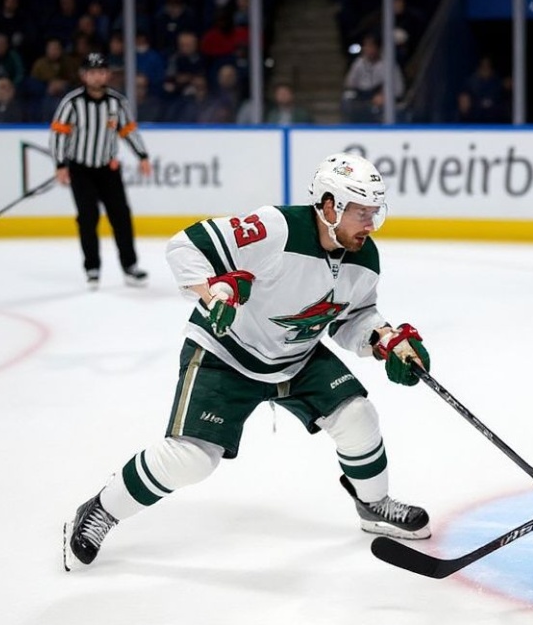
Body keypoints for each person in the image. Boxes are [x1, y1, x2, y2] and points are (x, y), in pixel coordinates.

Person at [63, 152, 434, 571]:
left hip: (296, 357)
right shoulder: (276, 229)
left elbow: (352, 316)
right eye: (361, 213)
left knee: (357, 415)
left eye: (374, 213)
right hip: (226, 353)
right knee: (191, 459)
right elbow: (185, 246)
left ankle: (373, 504)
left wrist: (386, 340)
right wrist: (212, 293)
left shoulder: (364, 257)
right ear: (330, 206)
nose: (370, 224)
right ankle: (101, 509)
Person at [49, 52, 152, 290]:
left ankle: (130, 266)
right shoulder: (72, 102)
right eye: (92, 72)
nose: (97, 77)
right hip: (80, 169)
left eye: (101, 72)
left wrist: (142, 156)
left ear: (107, 75)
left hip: (108, 169)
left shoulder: (117, 102)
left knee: (121, 217)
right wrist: (60, 164)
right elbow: (59, 134)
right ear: (84, 75)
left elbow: (128, 131)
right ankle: (92, 268)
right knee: (87, 218)